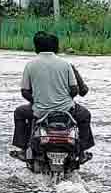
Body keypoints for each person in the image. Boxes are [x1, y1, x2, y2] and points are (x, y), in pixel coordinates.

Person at [10, 31, 94, 162]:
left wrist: (37, 101)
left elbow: (24, 92)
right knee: (85, 115)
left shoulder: (30, 65)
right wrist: (64, 99)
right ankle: (82, 151)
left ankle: (22, 149)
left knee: (19, 113)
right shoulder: (65, 64)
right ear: (56, 47)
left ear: (36, 47)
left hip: (39, 110)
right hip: (67, 109)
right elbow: (75, 90)